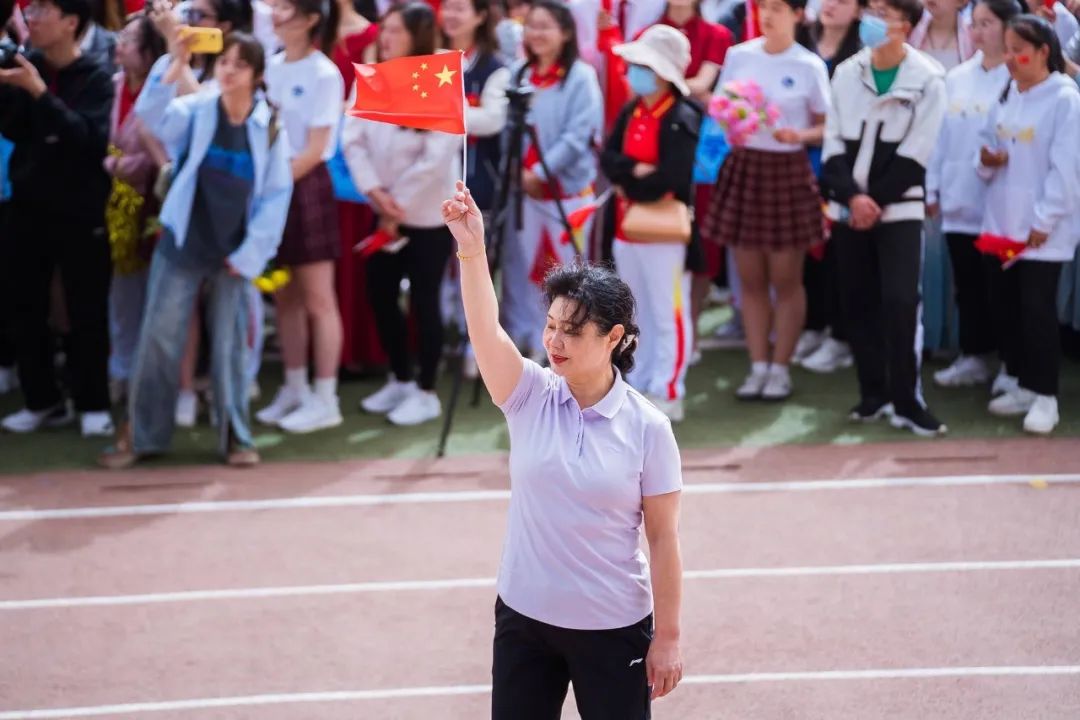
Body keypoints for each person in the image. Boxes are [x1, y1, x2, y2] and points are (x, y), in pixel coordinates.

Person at [442, 181, 684, 720]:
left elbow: (663, 539)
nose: (554, 342)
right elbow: (485, 329)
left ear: (613, 337)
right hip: (524, 620)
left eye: (572, 331)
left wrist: (667, 637)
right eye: (550, 325)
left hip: (614, 628)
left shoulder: (649, 428)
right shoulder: (527, 394)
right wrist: (472, 249)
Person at [100, 32, 292, 468]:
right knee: (158, 340)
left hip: (235, 253)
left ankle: (236, 438)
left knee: (230, 348)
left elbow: (275, 196)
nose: (229, 71)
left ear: (257, 75)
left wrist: (250, 255)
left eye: (240, 64)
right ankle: (142, 436)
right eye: (224, 61)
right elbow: (152, 115)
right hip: (183, 242)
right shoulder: (199, 108)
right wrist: (173, 61)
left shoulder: (271, 128)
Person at [822, 0, 948, 436]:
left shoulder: (928, 78)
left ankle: (908, 400)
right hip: (849, 208)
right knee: (857, 300)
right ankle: (872, 392)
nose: (872, 21)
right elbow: (832, 145)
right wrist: (852, 198)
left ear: (906, 26)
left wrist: (872, 201)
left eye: (884, 14)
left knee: (900, 300)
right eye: (871, 11)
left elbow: (917, 153)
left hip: (900, 209)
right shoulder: (846, 72)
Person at [701, 0, 831, 401]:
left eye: (777, 7)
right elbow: (721, 108)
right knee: (751, 279)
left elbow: (827, 126)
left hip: (788, 171)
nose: (768, 15)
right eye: (763, 6)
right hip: (745, 166)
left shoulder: (808, 64)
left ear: (798, 14)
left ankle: (780, 369)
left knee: (786, 279)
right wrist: (732, 120)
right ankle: (758, 366)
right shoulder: (739, 56)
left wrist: (798, 135)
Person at [0, 0, 115, 437]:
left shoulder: (97, 76)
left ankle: (93, 404)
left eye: (43, 11)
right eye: (30, 11)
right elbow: (14, 129)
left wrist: (39, 93)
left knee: (86, 307)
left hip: (80, 207)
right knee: (24, 305)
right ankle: (42, 400)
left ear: (71, 22)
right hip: (27, 203)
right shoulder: (25, 65)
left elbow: (86, 138)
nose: (31, 19)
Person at [343, 1, 460, 426]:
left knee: (424, 300)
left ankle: (426, 389)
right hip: (381, 208)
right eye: (384, 29)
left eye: (395, 30)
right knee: (380, 293)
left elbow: (437, 154)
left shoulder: (440, 78)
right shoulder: (373, 75)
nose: (385, 38)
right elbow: (352, 138)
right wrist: (376, 193)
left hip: (427, 214)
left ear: (417, 36)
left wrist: (398, 203)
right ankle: (399, 376)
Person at [978, 14, 1080, 434]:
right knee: (1007, 305)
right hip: (1002, 222)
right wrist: (988, 160)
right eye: (1006, 50)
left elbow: (1066, 169)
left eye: (1018, 50)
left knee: (1037, 309)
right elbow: (987, 143)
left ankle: (1045, 396)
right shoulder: (1008, 94)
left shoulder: (1065, 99)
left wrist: (1045, 218)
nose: (1010, 58)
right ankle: (1020, 381)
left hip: (1042, 231)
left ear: (1043, 52)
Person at [601, 25, 700, 421]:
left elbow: (674, 176)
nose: (632, 72)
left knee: (667, 312)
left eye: (641, 65)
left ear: (661, 72)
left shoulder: (681, 116)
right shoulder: (633, 110)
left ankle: (669, 388)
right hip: (627, 228)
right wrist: (633, 170)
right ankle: (639, 381)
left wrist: (631, 182)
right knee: (633, 312)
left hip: (664, 231)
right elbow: (609, 158)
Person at [256, 0, 347, 434]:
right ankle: (294, 387)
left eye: (287, 7)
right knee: (284, 295)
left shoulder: (324, 73)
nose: (276, 14)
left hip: (304, 185)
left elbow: (314, 149)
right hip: (272, 186)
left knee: (318, 298)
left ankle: (326, 397)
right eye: (275, 6)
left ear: (311, 19)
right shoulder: (268, 65)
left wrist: (272, 186)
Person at [500, 0, 602, 363]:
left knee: (569, 271)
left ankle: (570, 342)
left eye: (546, 26)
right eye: (532, 26)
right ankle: (527, 338)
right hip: (524, 193)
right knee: (524, 267)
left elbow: (578, 135)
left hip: (568, 192)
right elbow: (507, 128)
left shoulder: (581, 76)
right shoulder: (519, 72)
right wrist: (516, 171)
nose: (537, 34)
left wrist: (540, 173)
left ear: (566, 33)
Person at [926, 0, 1020, 389]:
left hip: (1001, 205)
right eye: (974, 23)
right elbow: (939, 138)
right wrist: (932, 187)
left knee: (1005, 289)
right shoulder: (957, 77)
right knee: (967, 283)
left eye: (987, 23)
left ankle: (1012, 365)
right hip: (957, 198)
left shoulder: (1017, 78)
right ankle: (973, 354)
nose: (978, 31)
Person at [439, 0, 510, 379]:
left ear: (481, 16)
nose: (451, 15)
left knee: (478, 267)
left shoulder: (495, 68)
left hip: (477, 186)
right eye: (447, 7)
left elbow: (494, 119)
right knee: (440, 271)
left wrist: (441, 113)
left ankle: (479, 348)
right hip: (432, 186)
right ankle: (447, 338)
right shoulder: (433, 60)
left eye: (460, 8)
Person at [793, 0, 864, 373]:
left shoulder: (860, 56)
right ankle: (813, 325)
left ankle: (841, 335)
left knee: (838, 253)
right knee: (805, 253)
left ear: (860, 10)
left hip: (840, 168)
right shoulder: (799, 43)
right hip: (796, 165)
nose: (831, 5)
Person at [104, 12, 168, 405]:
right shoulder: (113, 86)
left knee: (157, 294)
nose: (120, 45)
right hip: (119, 206)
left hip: (156, 201)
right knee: (123, 292)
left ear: (150, 51)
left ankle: (155, 380)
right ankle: (122, 372)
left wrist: (130, 163)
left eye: (129, 39)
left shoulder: (163, 89)